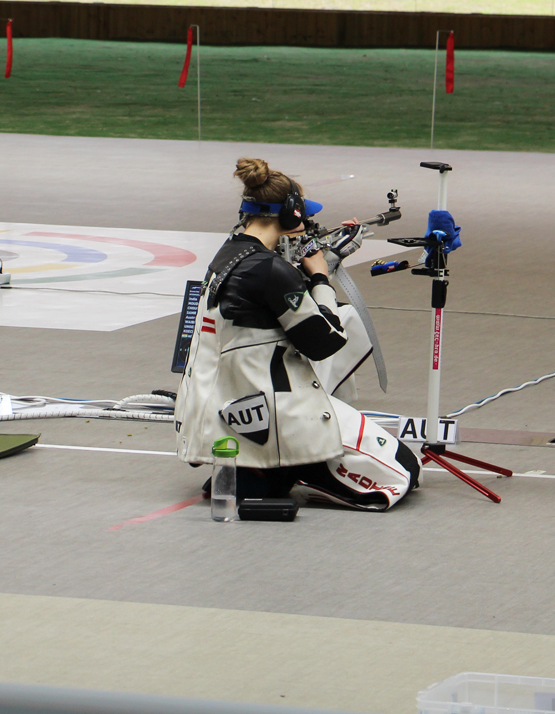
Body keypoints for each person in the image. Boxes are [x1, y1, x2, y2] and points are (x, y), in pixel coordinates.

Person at [174, 158, 419, 511]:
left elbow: (267, 305)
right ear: (290, 214)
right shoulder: (271, 270)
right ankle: (292, 463)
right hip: (271, 412)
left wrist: (301, 264)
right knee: (405, 471)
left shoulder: (228, 253)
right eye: (301, 216)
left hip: (230, 409)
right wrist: (320, 275)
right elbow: (326, 342)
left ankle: (263, 471)